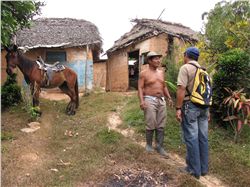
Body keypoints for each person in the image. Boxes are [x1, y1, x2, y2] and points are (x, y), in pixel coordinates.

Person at [176, 47, 210, 179]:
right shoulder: (204, 71)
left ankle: (193, 170)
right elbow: (206, 92)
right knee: (203, 138)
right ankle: (204, 169)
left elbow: (181, 88)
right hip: (204, 107)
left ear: (186, 56)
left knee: (192, 138)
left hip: (190, 106)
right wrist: (208, 111)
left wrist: (178, 108)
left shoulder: (185, 68)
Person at [138, 51, 173, 157]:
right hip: (149, 99)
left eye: (159, 58)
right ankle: (149, 145)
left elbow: (164, 86)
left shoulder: (161, 72)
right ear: (149, 61)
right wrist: (142, 101)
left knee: (161, 125)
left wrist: (169, 97)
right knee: (151, 123)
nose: (158, 61)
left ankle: (159, 146)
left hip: (161, 100)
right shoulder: (144, 73)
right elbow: (140, 87)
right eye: (156, 59)